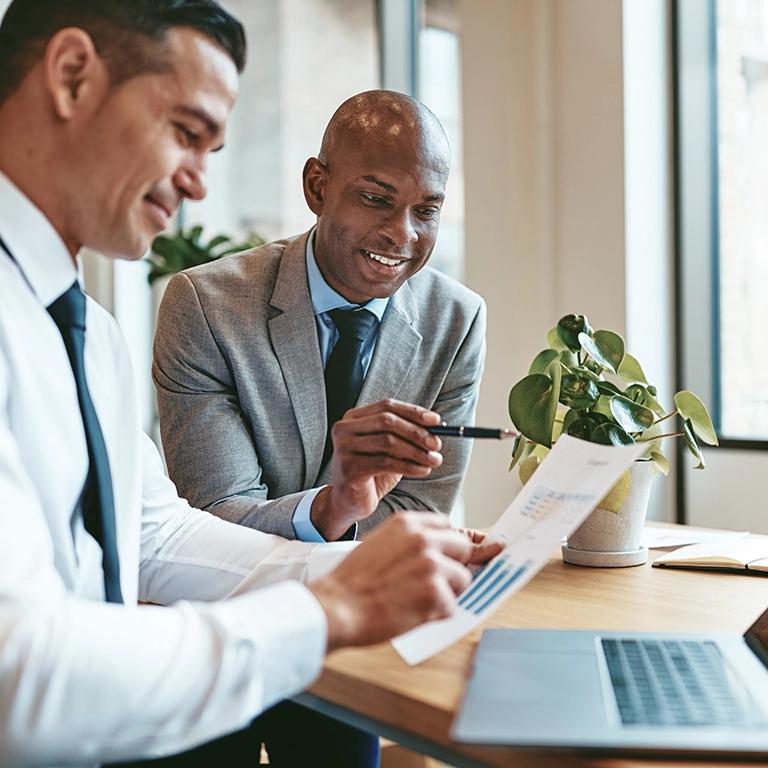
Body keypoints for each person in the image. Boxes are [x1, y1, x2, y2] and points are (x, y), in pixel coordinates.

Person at [0, 2, 500, 767]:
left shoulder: (89, 334)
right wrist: (330, 604)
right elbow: (20, 678)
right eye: (186, 132)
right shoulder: (164, 307)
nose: (200, 182)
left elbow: (153, 533)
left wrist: (371, 568)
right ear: (72, 77)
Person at [152, 89, 487, 545]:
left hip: (375, 603)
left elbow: (418, 512)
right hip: (238, 602)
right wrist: (335, 507)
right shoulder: (207, 306)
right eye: (375, 198)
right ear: (317, 186)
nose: (402, 234)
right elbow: (215, 516)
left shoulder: (456, 321)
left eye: (426, 211)